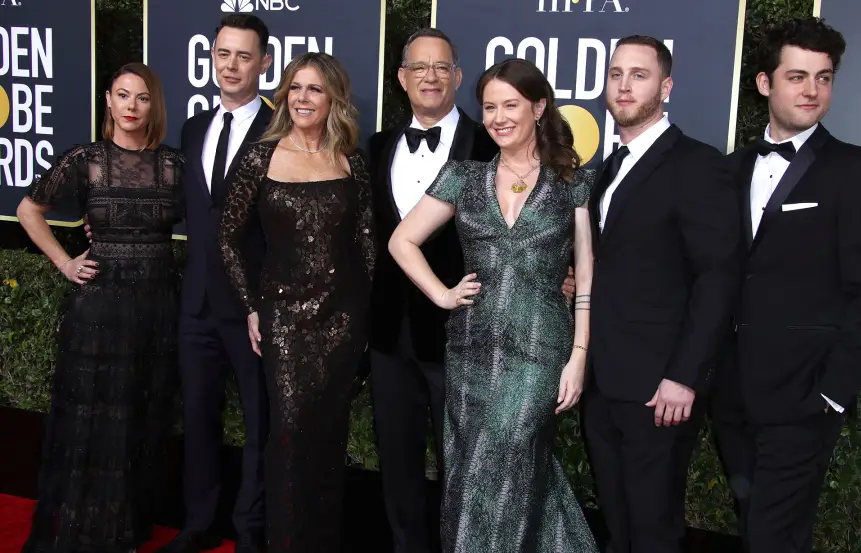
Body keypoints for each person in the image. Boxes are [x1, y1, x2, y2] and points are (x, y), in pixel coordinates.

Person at [367, 29, 573, 553]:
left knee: (473, 467)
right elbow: (380, 238)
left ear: (457, 76)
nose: (430, 76)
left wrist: (560, 278)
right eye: (419, 67)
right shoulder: (378, 146)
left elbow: (549, 226)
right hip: (392, 333)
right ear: (402, 78)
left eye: (441, 67)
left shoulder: (493, 140)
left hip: (472, 338)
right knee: (398, 462)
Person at [711, 18, 861, 553]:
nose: (812, 90)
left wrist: (830, 394)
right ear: (765, 83)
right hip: (730, 394)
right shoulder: (729, 170)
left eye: (824, 77)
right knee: (756, 529)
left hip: (803, 399)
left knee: (772, 537)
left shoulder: (855, 170)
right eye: (797, 76)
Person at [581, 36, 741, 553]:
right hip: (604, 379)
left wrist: (684, 376)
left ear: (666, 87)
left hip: (659, 387)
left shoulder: (697, 165)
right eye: (616, 74)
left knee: (653, 527)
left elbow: (718, 277)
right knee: (619, 521)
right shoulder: (611, 166)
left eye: (639, 75)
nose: (624, 86)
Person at [16, 62, 183, 553]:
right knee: (93, 419)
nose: (132, 106)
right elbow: (29, 209)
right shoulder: (85, 159)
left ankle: (126, 527)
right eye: (123, 95)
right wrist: (65, 262)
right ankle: (86, 530)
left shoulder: (174, 165)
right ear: (108, 100)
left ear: (154, 105)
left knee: (140, 415)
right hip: (100, 306)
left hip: (156, 304)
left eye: (142, 98)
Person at [218, 51, 375, 553]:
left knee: (328, 438)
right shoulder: (260, 157)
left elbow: (367, 244)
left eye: (315, 89)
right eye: (296, 88)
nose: (303, 98)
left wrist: (365, 317)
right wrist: (251, 306)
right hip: (283, 319)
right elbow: (228, 239)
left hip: (342, 321)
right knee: (288, 434)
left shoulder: (351, 160)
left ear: (333, 100)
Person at [156, 14, 273, 553]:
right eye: (223, 54)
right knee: (198, 418)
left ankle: (251, 532)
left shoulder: (279, 131)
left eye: (243, 56)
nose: (231, 65)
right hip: (196, 302)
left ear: (263, 63)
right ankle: (199, 523)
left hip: (254, 308)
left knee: (260, 424)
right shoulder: (193, 128)